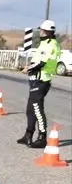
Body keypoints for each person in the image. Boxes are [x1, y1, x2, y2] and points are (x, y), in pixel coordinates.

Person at [19, 19, 61, 148]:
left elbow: (42, 63)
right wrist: (31, 66)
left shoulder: (51, 44)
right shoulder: (44, 43)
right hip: (36, 79)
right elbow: (37, 60)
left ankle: (42, 137)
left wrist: (28, 68)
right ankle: (28, 135)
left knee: (37, 109)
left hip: (42, 80)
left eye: (42, 30)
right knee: (30, 109)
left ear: (47, 32)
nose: (40, 32)